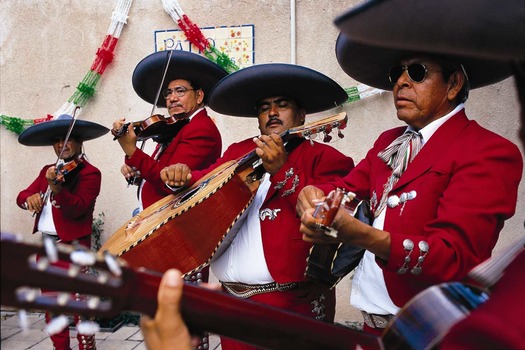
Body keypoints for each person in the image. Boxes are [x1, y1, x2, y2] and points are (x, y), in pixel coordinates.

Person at [296, 0, 524, 338]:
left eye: (416, 72)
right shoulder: (389, 140)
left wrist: (362, 234)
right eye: (396, 73)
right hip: (370, 328)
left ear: (454, 83)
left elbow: (453, 256)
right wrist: (313, 200)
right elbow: (345, 190)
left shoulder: (488, 151)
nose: (401, 82)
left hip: (431, 334)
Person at [160, 63, 354, 349]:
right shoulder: (238, 151)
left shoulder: (327, 158)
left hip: (291, 304)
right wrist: (180, 178)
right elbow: (204, 179)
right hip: (230, 302)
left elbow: (326, 213)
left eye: (282, 105)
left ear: (301, 115)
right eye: (264, 107)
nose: (272, 113)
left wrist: (282, 171)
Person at [16, 114, 109, 350]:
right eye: (57, 141)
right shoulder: (47, 171)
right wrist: (31, 199)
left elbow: (77, 209)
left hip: (74, 249)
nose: (61, 145)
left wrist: (57, 189)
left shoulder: (89, 173)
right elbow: (21, 196)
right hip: (47, 249)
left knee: (81, 309)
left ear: (79, 143)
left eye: (67, 140)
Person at [111, 49, 227, 213]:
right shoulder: (178, 126)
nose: (172, 98)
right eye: (168, 93)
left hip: (172, 220)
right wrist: (136, 173)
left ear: (199, 96)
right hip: (152, 214)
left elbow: (169, 182)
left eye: (180, 91)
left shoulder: (201, 129)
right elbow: (157, 169)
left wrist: (132, 150)